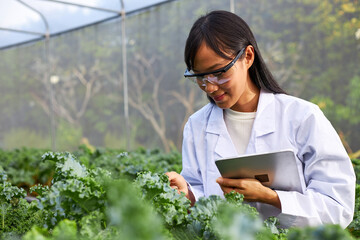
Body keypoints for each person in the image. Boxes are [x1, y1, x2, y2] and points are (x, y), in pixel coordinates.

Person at [165, 10, 356, 228]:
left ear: (248, 56)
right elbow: (201, 193)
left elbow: (338, 206)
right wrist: (188, 194)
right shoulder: (197, 126)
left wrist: (271, 197)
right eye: (199, 77)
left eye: (218, 73)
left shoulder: (302, 117)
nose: (210, 86)